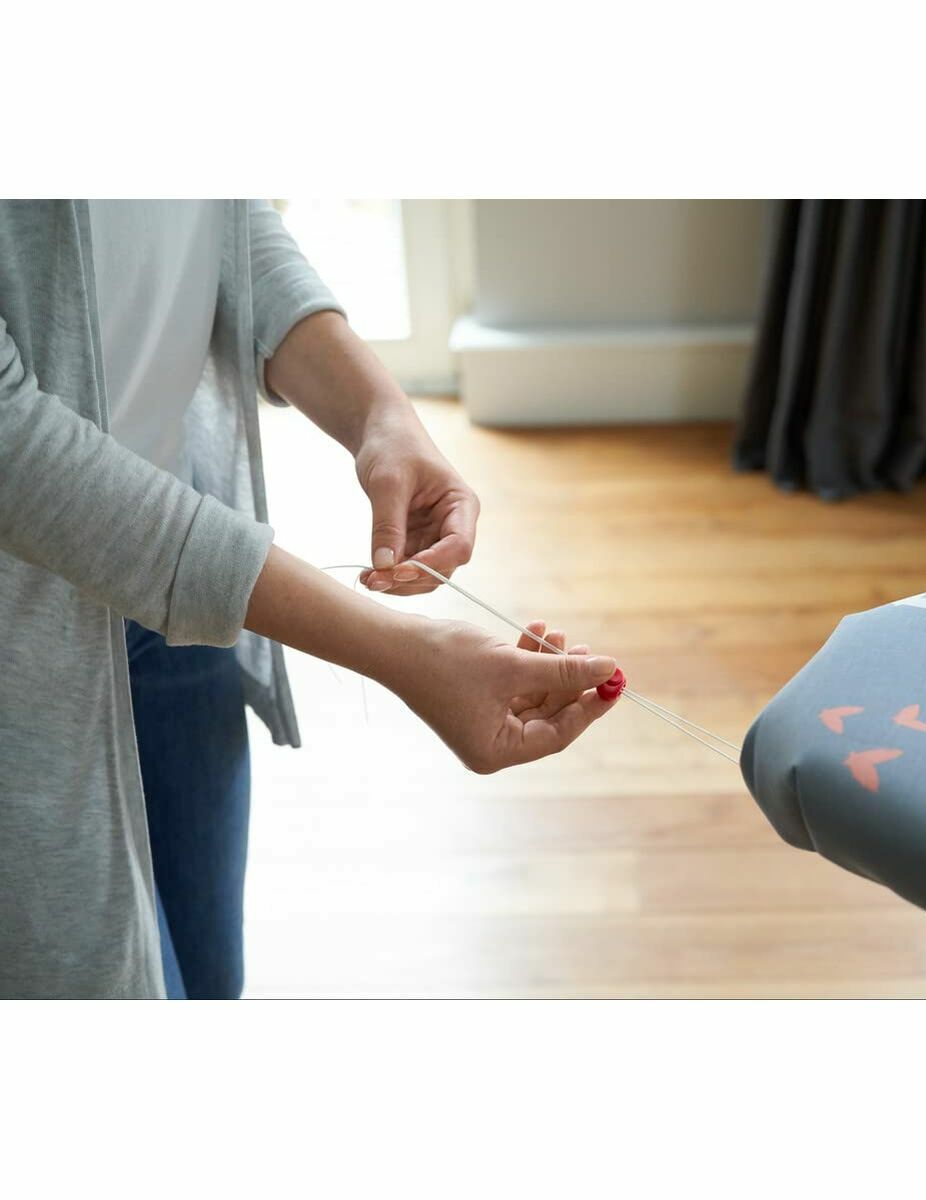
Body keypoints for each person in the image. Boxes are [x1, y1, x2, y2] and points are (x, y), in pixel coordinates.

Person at [0, 199, 617, 999]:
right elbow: (16, 451)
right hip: (25, 661)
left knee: (210, 980)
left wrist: (381, 414)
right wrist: (404, 652)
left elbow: (213, 216)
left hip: (174, 604)